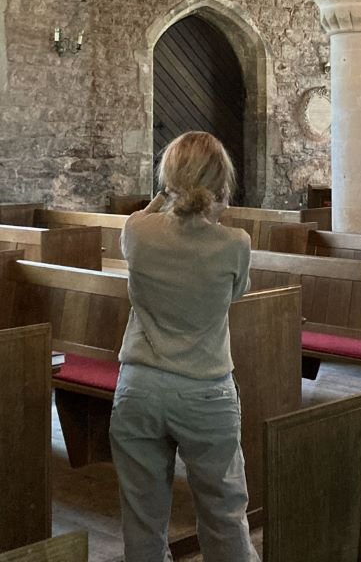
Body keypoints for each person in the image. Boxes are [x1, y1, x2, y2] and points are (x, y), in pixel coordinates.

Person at [110, 131, 258, 562]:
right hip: (204, 390)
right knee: (223, 513)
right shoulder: (235, 244)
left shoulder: (137, 231)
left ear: (167, 179)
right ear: (222, 182)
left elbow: (144, 216)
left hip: (139, 385)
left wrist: (164, 199)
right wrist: (213, 211)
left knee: (141, 519)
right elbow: (235, 295)